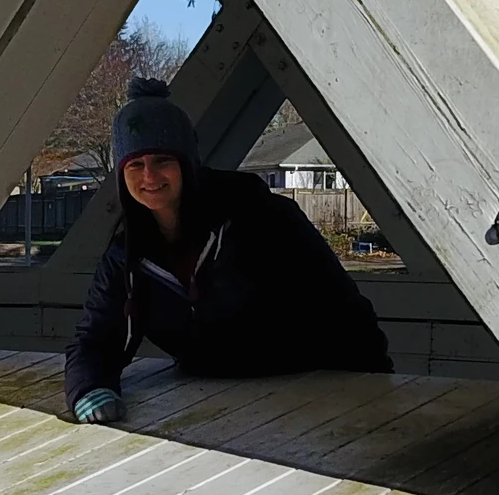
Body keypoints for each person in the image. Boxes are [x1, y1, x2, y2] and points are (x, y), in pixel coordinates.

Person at [64, 75, 392, 422]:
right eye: (135, 164)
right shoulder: (127, 255)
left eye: (162, 160)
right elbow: (95, 336)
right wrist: (90, 387)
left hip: (309, 393)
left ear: (187, 163)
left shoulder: (262, 218)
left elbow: (344, 310)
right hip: (211, 404)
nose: (149, 176)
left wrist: (375, 393)